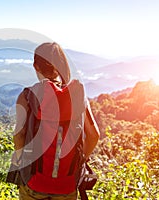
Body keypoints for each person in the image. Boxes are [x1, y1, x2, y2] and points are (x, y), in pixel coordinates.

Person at [12, 42, 100, 200]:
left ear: (35, 66)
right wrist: (80, 161)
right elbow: (93, 135)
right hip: (66, 186)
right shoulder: (77, 97)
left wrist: (21, 161)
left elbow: (19, 135)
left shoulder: (27, 96)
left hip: (34, 182)